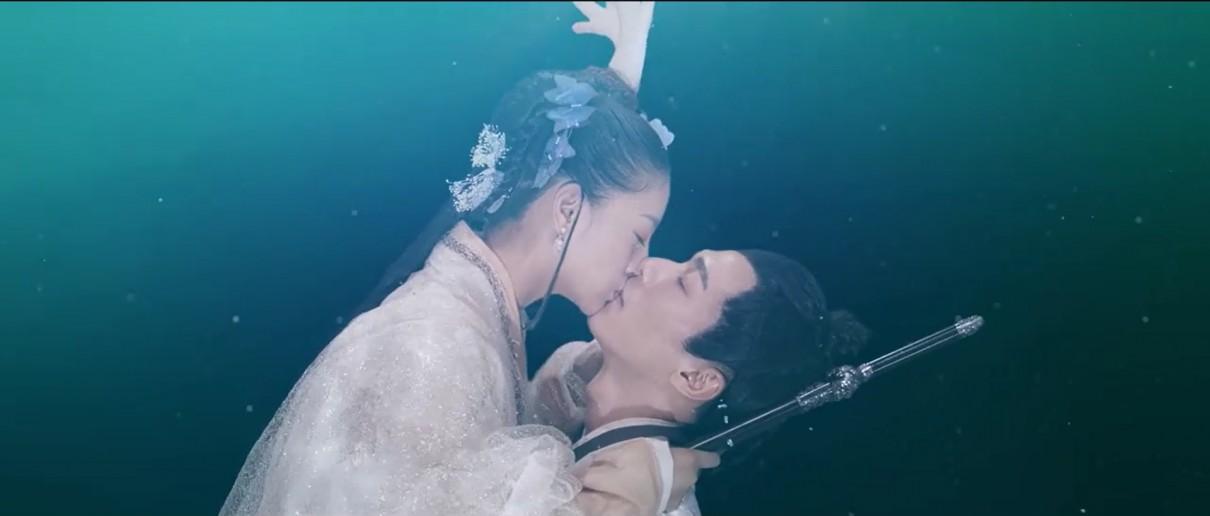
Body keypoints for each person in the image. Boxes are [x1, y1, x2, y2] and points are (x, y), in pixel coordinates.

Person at [219, 3, 718, 514]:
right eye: (638, 235)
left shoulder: (478, 315)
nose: (641, 262)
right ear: (567, 209)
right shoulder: (429, 344)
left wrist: (619, 85)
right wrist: (620, 500)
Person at [529, 250, 871, 515]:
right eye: (683, 263)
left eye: (684, 283)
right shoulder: (567, 383)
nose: (649, 265)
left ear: (697, 379)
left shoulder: (649, 505)